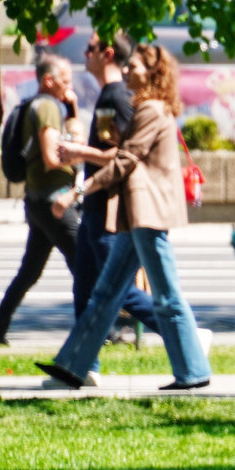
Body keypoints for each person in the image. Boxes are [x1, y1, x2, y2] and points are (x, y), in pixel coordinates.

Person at [37, 43, 212, 391]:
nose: (127, 70)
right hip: (136, 216)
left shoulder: (152, 111)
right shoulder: (145, 107)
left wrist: (78, 190)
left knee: (165, 295)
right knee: (105, 295)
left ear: (153, 73)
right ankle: (73, 367)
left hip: (148, 214)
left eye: (133, 66)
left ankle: (193, 370)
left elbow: (124, 162)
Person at [71, 30, 160, 346]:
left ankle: (183, 333)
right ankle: (81, 364)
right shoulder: (108, 96)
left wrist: (78, 153)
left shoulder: (118, 97)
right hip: (95, 208)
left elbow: (123, 153)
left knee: (119, 289)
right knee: (84, 288)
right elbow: (110, 145)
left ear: (108, 54)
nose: (85, 53)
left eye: (90, 48)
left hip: (107, 209)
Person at [0, 54, 84, 346]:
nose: (69, 88)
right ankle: (94, 332)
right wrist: (81, 157)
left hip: (37, 201)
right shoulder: (46, 106)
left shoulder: (41, 105)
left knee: (30, 271)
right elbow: (49, 157)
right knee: (85, 264)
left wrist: (71, 109)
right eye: (66, 81)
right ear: (49, 80)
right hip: (54, 201)